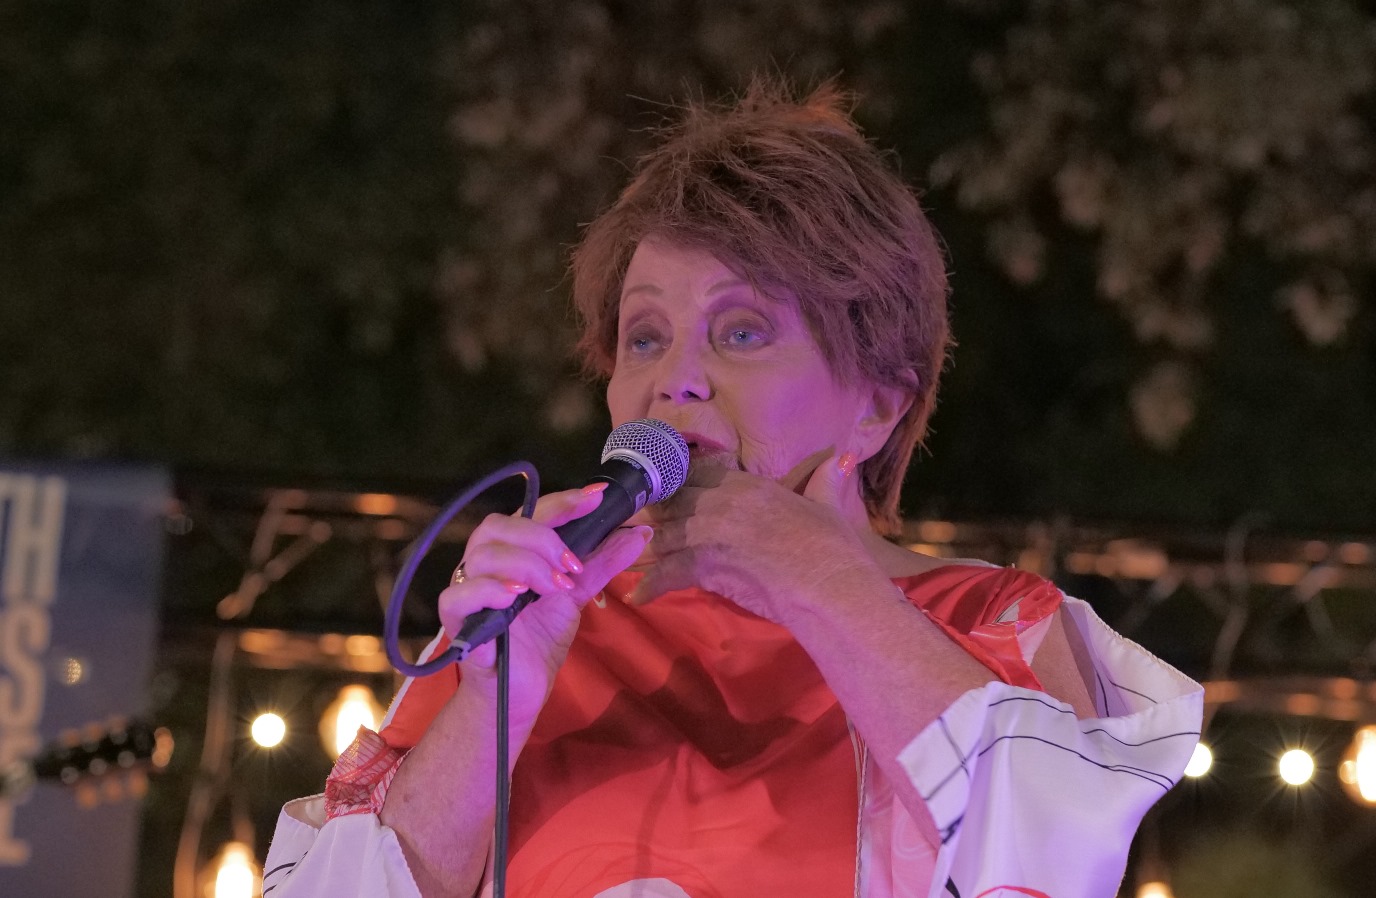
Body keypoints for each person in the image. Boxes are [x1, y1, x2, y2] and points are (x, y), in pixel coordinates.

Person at [264, 81, 1202, 898]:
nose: (674, 379)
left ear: (878, 405)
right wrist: (492, 704)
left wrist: (816, 581)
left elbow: (1053, 861)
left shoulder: (994, 625)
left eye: (742, 331)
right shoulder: (534, 626)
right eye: (644, 337)